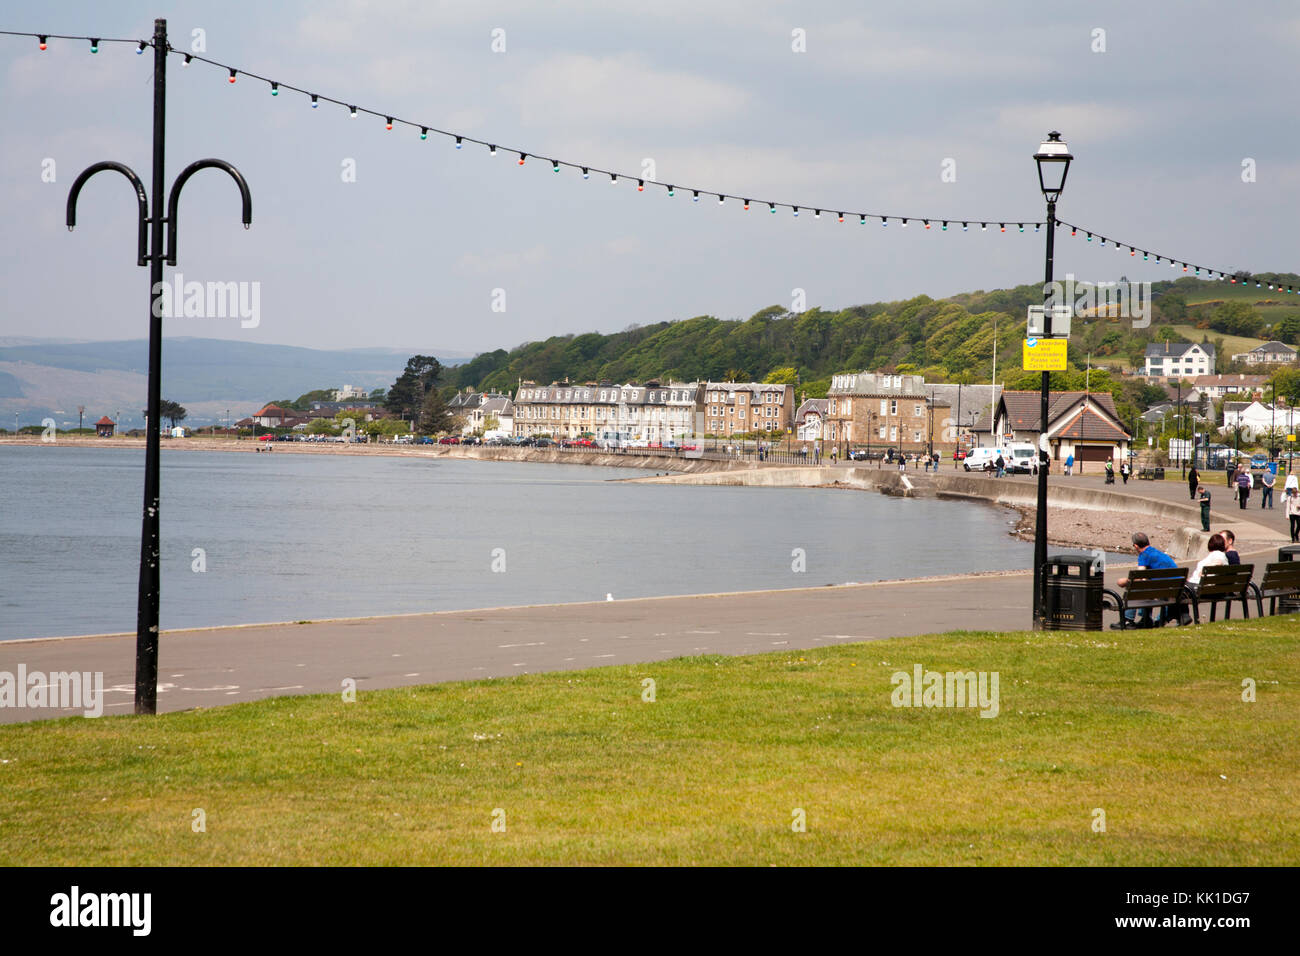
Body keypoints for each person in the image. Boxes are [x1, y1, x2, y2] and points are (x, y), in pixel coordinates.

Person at [1113, 531, 1179, 629]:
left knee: (1136, 587)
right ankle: (1146, 619)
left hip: (1164, 590)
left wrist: (1124, 581)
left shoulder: (1144, 555)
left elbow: (1139, 576)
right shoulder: (1159, 553)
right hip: (1176, 588)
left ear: (1135, 546)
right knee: (1145, 586)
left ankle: (1128, 619)